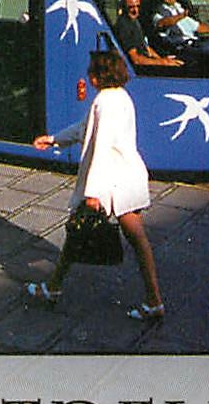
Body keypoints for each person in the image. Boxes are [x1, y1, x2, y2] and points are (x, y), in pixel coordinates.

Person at [25, 48, 165, 320]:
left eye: (91, 72)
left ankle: (52, 289)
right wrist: (54, 139)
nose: (88, 76)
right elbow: (84, 128)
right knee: (136, 240)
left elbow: (100, 146)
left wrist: (93, 193)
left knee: (78, 232)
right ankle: (154, 301)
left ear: (98, 76)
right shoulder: (120, 96)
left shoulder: (104, 102)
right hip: (126, 175)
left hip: (112, 181)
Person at [109, 0, 182, 69]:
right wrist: (163, 62)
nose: (135, 10)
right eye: (131, 7)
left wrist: (163, 60)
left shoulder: (134, 22)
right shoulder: (124, 26)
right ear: (123, 7)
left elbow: (146, 47)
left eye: (138, 6)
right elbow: (135, 59)